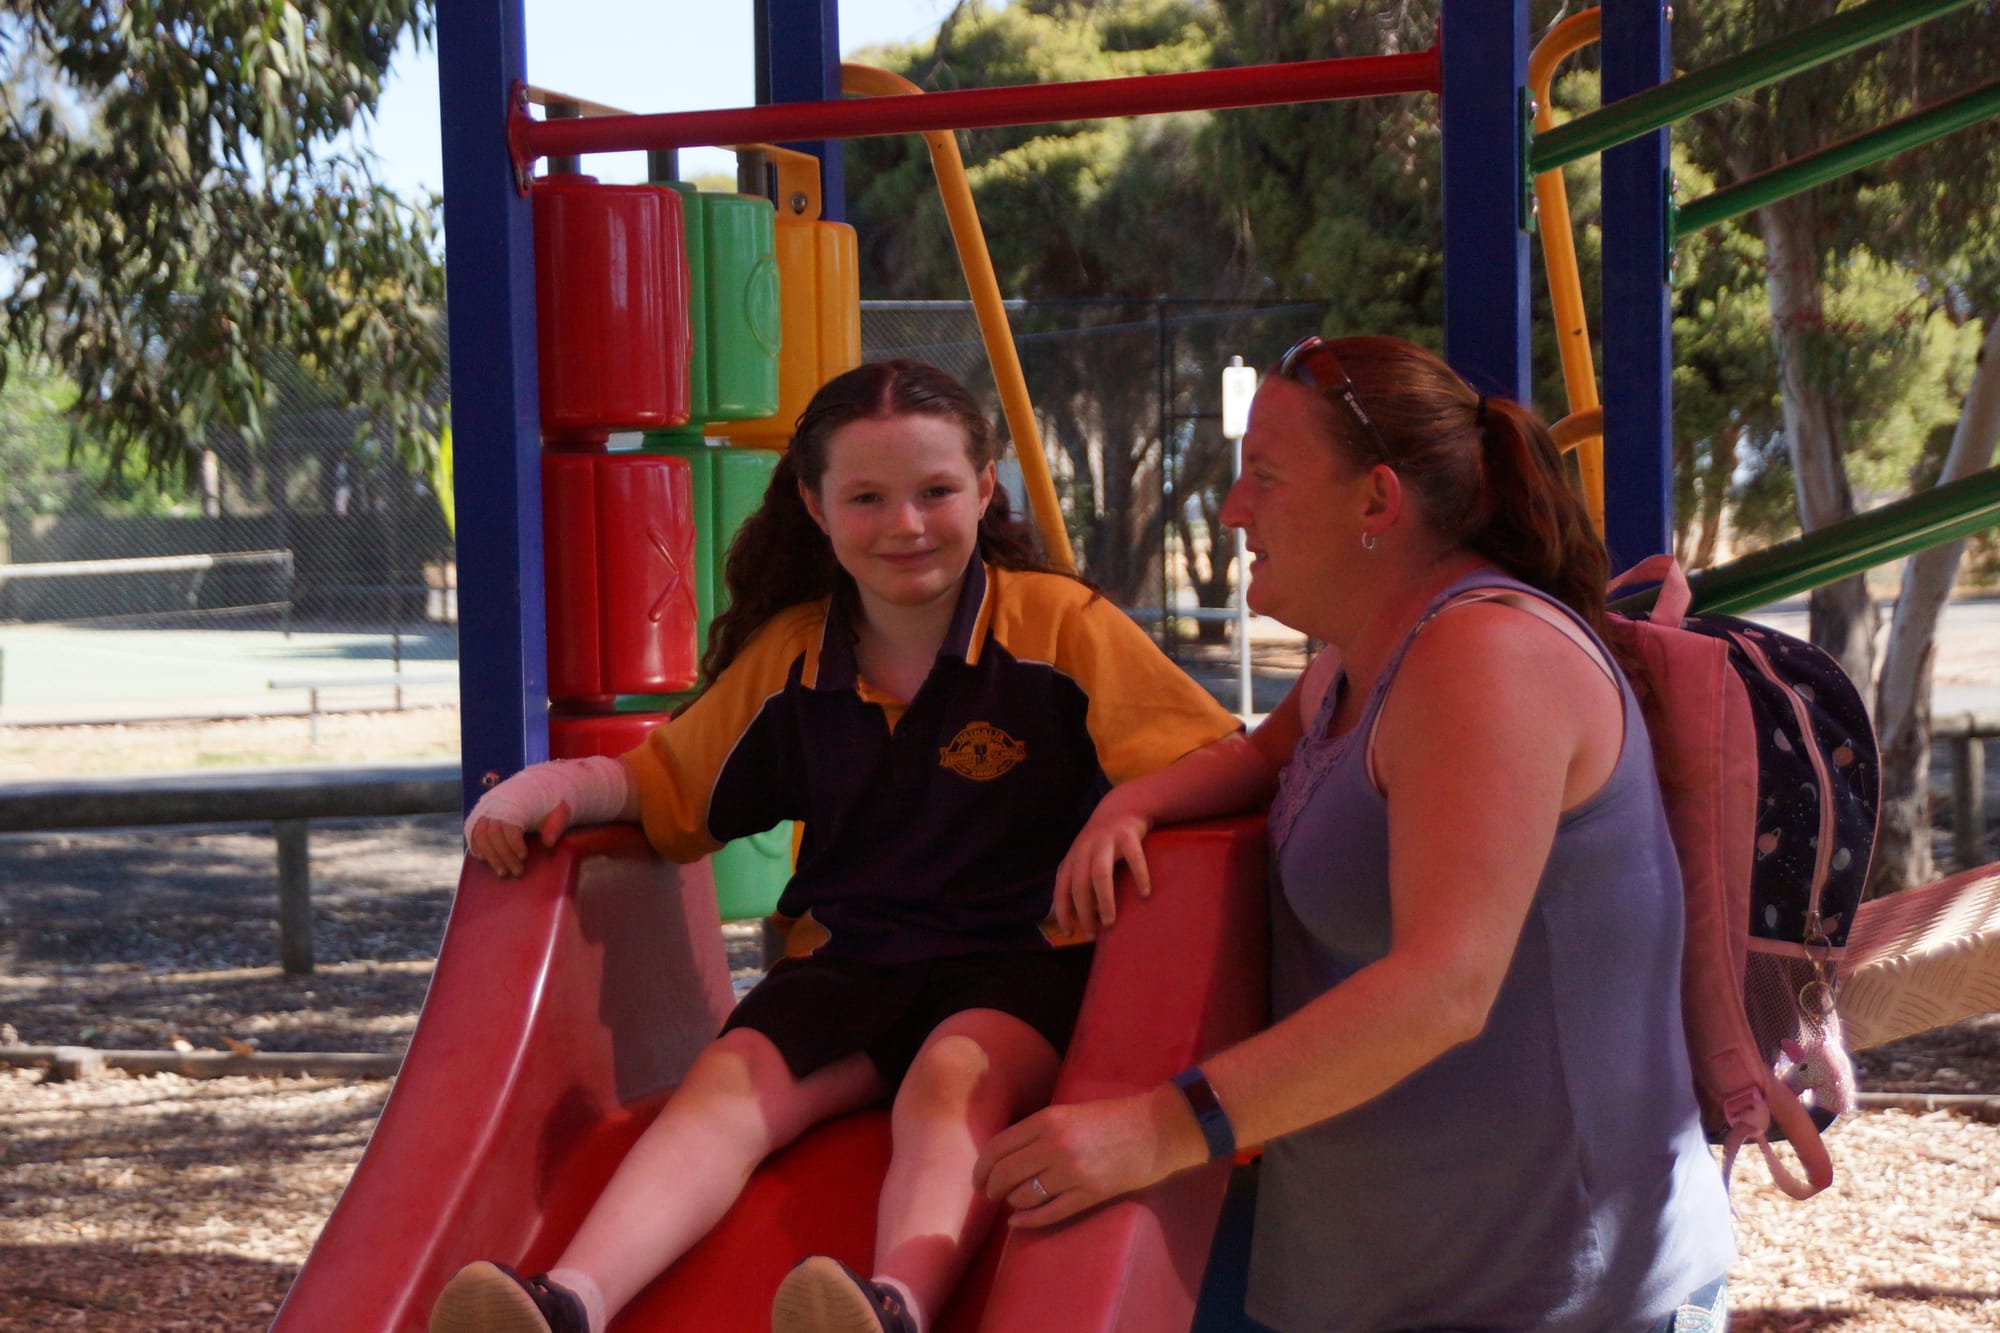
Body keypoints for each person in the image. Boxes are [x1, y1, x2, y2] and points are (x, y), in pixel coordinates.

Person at [427, 359, 1245, 1333]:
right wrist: (553, 786)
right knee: (727, 1081)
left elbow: (1223, 759)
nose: (906, 524)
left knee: (952, 1077)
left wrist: (1130, 806)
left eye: (936, 491)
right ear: (815, 505)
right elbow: (667, 787)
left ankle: (891, 1303)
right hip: (854, 962)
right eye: (867, 497)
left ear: (984, 488)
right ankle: (570, 1299)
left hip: (1025, 962)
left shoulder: (1057, 630)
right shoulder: (793, 658)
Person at [977, 335, 1737, 1332]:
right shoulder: (1359, 655)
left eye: (1262, 477)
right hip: (1389, 1271)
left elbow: (1440, 988)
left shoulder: (1484, 656)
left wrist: (1153, 1131)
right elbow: (1264, 755)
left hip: (1551, 1292)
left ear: (1376, 503)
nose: (1232, 506)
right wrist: (1136, 802)